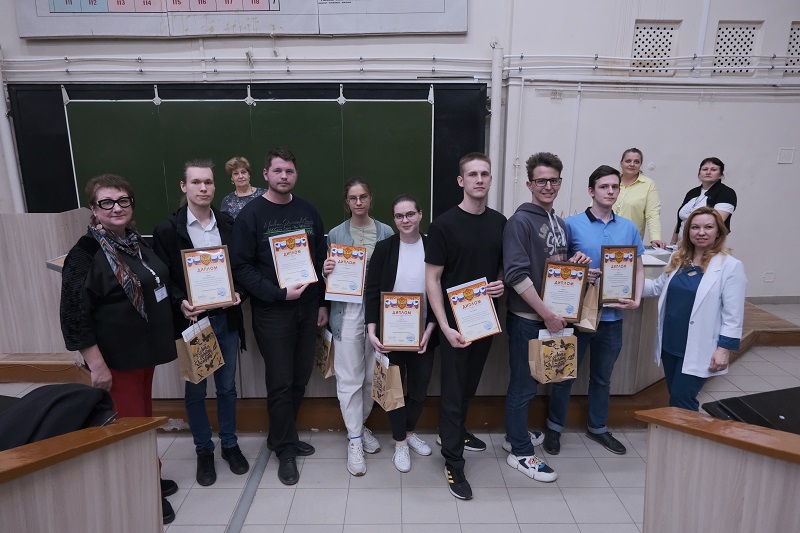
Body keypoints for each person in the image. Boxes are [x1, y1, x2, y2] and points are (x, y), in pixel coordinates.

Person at [59, 174, 178, 524]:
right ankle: (143, 492)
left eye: (123, 201)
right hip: (116, 362)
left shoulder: (135, 243)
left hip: (144, 355)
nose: (116, 208)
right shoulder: (85, 253)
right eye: (106, 202)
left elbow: (155, 284)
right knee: (130, 428)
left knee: (142, 419)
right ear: (94, 209)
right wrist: (96, 365)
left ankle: (149, 473)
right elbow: (73, 315)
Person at [229, 147, 328, 486]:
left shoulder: (308, 210)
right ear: (265, 175)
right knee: (280, 382)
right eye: (278, 171)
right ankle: (285, 449)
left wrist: (321, 303)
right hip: (273, 312)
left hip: (308, 309)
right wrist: (278, 293)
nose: (284, 176)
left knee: (300, 378)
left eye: (289, 171)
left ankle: (280, 436)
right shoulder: (251, 215)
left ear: (295, 175)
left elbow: (321, 259)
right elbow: (240, 267)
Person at [152, 159, 249, 488]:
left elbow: (243, 266)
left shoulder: (228, 224)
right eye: (196, 182)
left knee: (227, 387)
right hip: (194, 323)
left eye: (208, 182)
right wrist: (180, 301)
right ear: (184, 186)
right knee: (196, 390)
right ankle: (204, 450)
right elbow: (163, 277)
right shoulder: (168, 230)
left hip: (226, 318)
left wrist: (240, 293)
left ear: (215, 186)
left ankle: (230, 445)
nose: (203, 188)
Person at [502, 152, 592, 483]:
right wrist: (547, 315)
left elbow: (553, 270)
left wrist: (578, 269)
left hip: (551, 318)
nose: (548, 186)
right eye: (541, 180)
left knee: (540, 381)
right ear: (529, 184)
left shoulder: (559, 222)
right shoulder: (519, 222)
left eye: (554, 180)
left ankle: (515, 435)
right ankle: (520, 453)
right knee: (523, 387)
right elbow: (516, 275)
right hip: (529, 319)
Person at [543, 165, 644, 457]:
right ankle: (554, 428)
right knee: (563, 374)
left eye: (615, 187)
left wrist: (636, 299)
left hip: (611, 317)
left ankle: (598, 428)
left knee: (602, 377)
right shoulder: (570, 224)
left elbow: (637, 267)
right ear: (591, 191)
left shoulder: (628, 227)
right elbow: (558, 268)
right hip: (576, 316)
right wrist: (581, 271)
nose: (610, 191)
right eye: (603, 187)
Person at [425, 152, 506, 500]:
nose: (479, 179)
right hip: (455, 326)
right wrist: (444, 326)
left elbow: (502, 266)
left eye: (484, 174)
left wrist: (501, 283)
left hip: (484, 320)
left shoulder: (500, 222)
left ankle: (454, 432)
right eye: (472, 174)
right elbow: (432, 278)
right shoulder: (443, 225)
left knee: (469, 385)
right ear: (461, 181)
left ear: (490, 179)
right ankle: (453, 461)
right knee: (454, 391)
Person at [322, 178, 394, 476]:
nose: (359, 202)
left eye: (363, 196)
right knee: (349, 376)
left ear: (370, 198)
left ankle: (360, 425)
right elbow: (331, 278)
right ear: (347, 202)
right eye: (353, 198)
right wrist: (326, 270)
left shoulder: (387, 232)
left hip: (378, 309)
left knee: (369, 377)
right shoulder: (336, 234)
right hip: (348, 310)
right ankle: (354, 439)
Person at [644, 207, 746, 410]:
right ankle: (680, 429)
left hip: (699, 346)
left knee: (682, 398)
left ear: (718, 232)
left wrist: (723, 350)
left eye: (708, 227)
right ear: (687, 231)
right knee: (676, 397)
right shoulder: (678, 259)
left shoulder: (730, 266)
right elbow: (656, 287)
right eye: (695, 227)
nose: (701, 232)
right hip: (670, 343)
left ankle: (685, 431)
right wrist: (623, 285)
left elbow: (733, 315)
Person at [365, 194, 438, 473]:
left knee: (419, 390)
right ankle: (400, 443)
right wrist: (372, 330)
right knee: (393, 390)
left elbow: (441, 290)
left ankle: (408, 432)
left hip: (424, 333)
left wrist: (431, 328)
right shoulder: (384, 248)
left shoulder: (433, 246)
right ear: (394, 219)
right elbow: (372, 290)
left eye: (410, 214)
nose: (405, 220)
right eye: (399, 216)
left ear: (420, 214)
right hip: (390, 334)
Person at [671, 157, 737, 245]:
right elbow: (681, 220)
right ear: (699, 173)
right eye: (705, 169)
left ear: (720, 174)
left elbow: (716, 221)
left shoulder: (726, 193)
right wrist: (673, 243)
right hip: (682, 245)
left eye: (713, 170)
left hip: (706, 246)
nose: (708, 172)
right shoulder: (692, 192)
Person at [614, 148, 665, 248]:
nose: (632, 164)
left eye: (636, 162)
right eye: (628, 161)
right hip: (604, 237)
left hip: (630, 242)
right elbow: (595, 207)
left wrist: (655, 237)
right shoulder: (612, 181)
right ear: (621, 163)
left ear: (640, 165)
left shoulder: (648, 184)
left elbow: (652, 213)